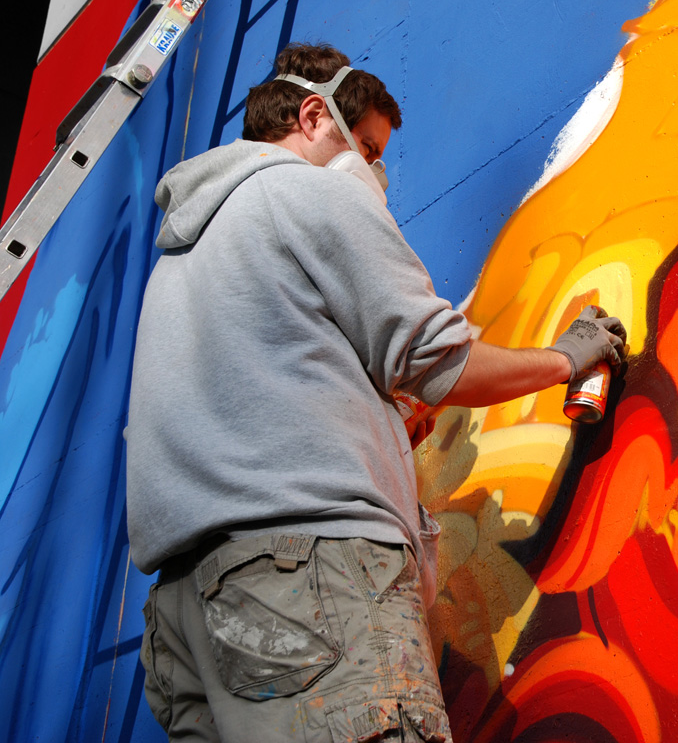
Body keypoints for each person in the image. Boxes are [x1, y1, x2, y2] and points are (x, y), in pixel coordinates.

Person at [125, 43, 626, 742]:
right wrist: (565, 357)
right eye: (364, 146)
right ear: (310, 116)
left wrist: (380, 419)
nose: (375, 171)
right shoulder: (309, 190)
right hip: (304, 581)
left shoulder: (185, 252)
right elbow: (440, 362)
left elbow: (273, 385)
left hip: (188, 617)